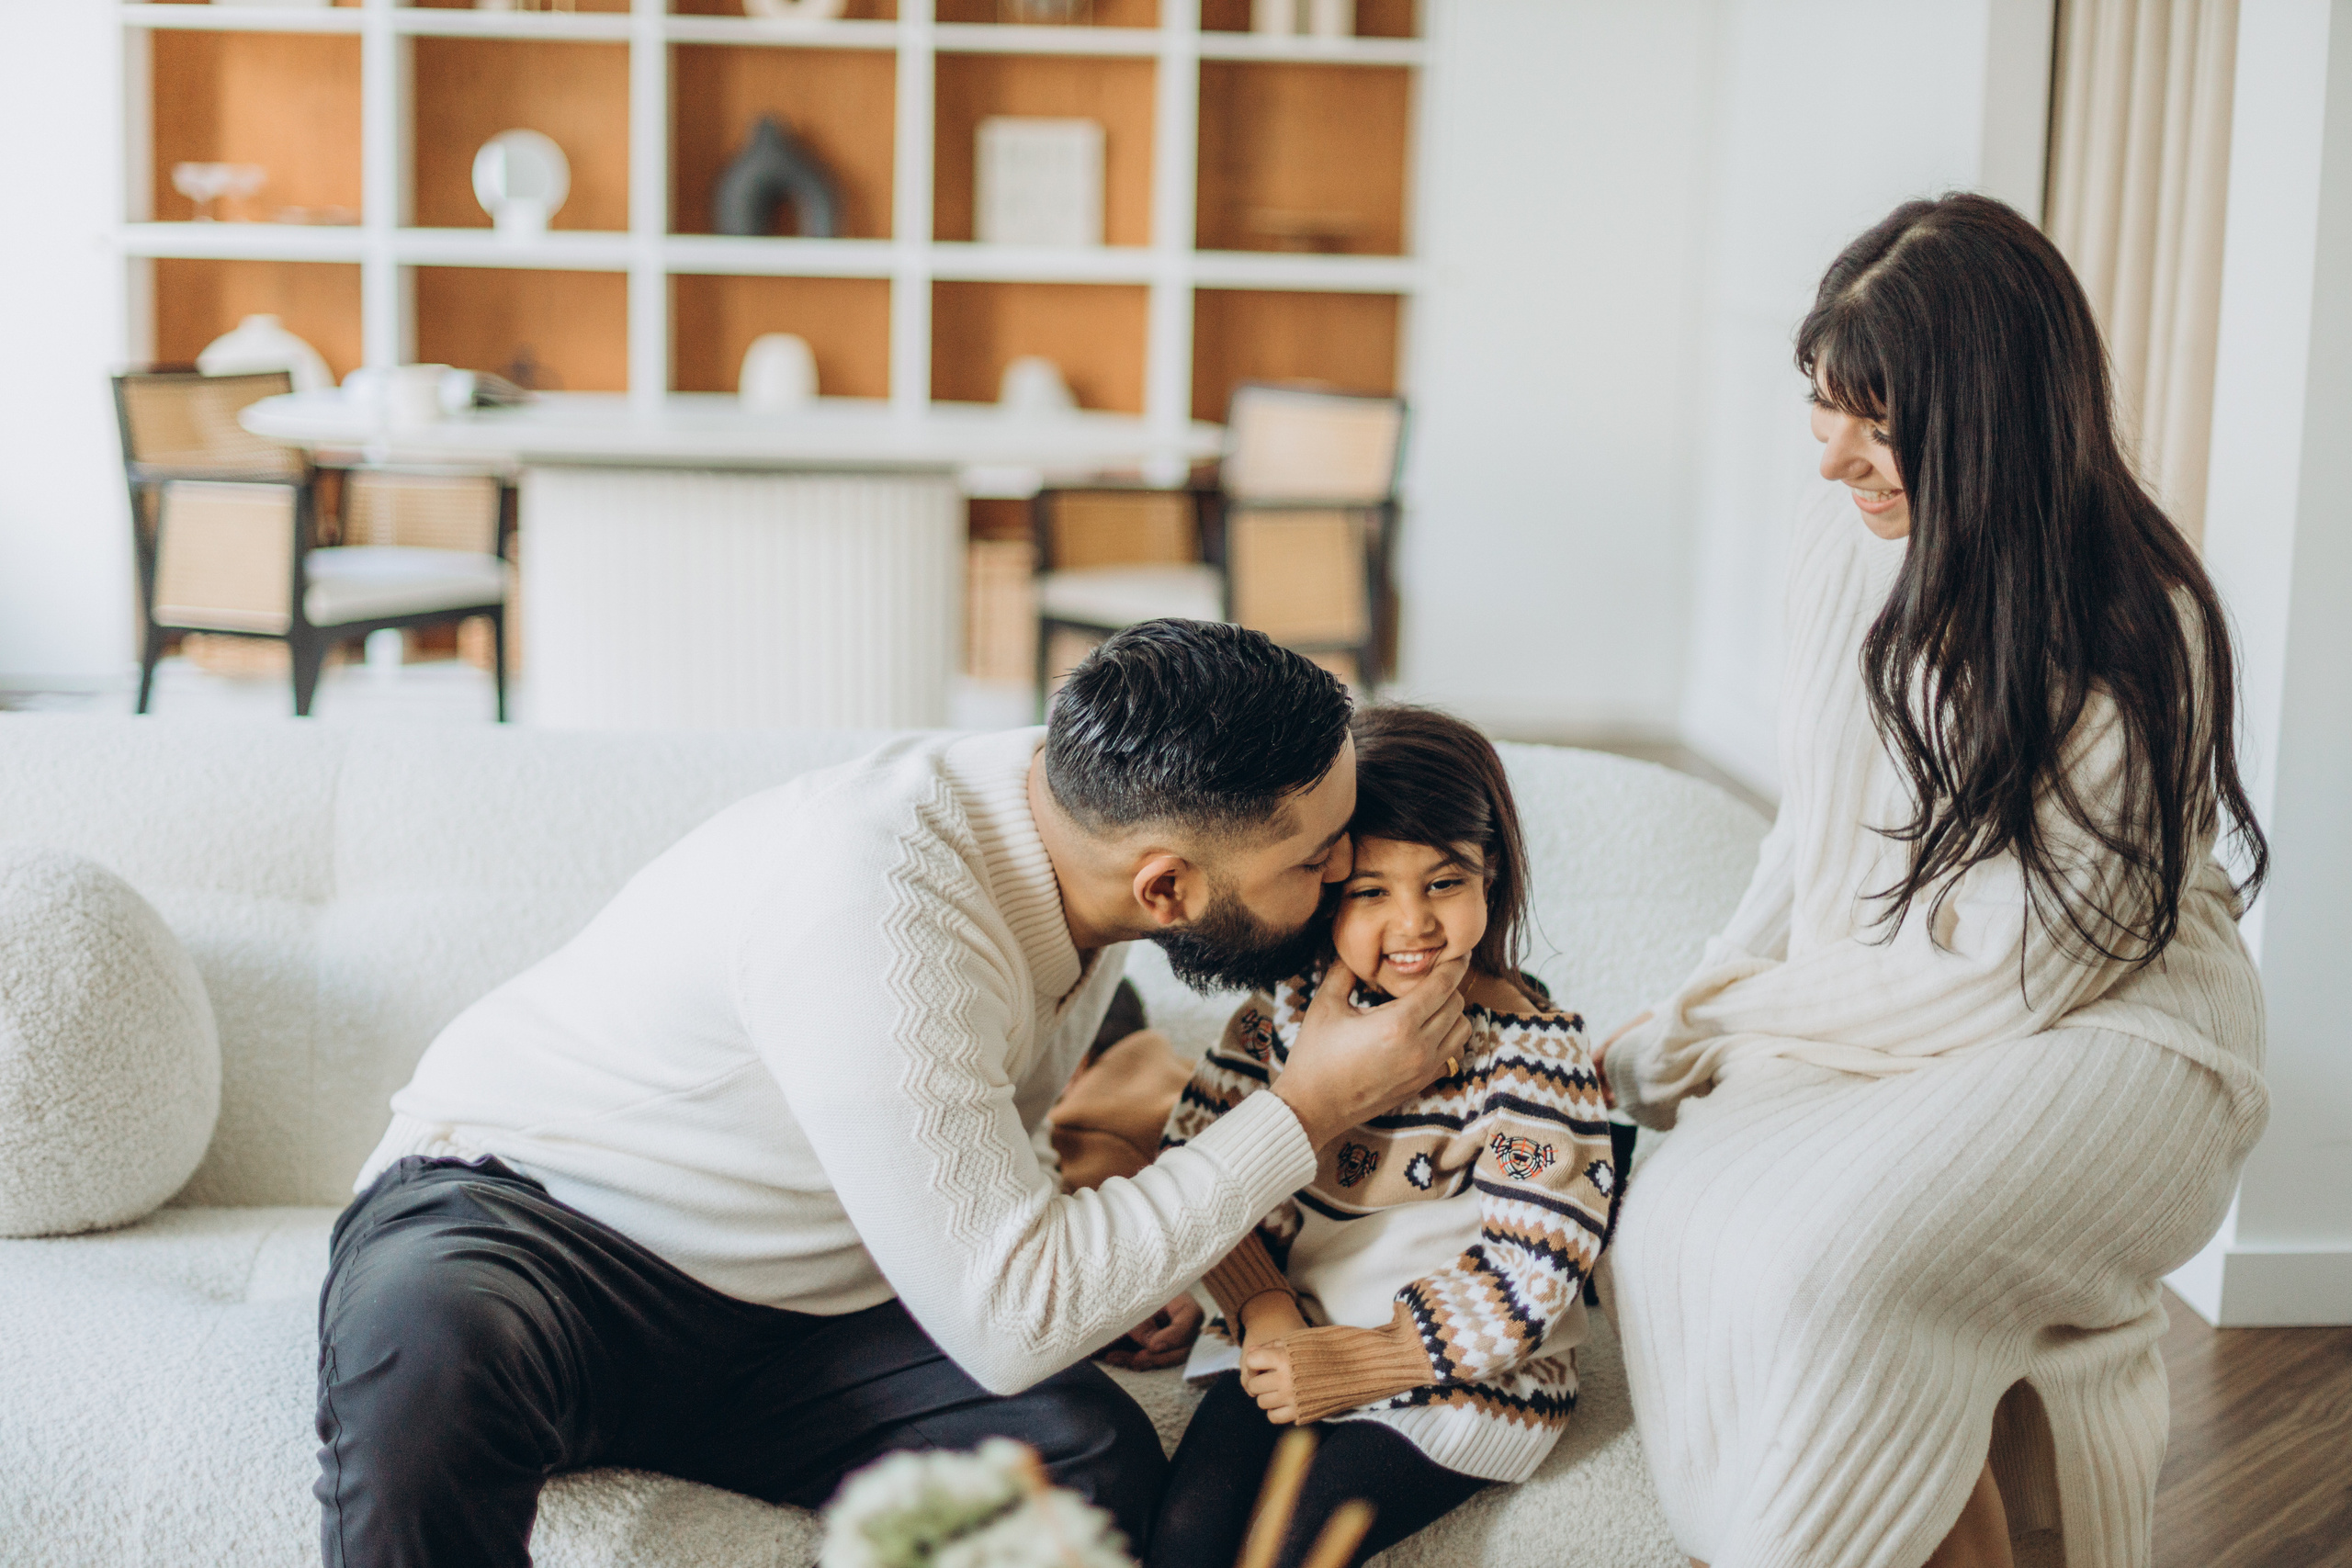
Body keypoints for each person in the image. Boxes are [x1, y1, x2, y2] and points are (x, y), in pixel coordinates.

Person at [313, 620, 1478, 1568]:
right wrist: (1306, 1110)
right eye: (1317, 861)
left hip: (806, 1306)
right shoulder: (876, 907)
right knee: (432, 1363)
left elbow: (958, 1146)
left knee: (1084, 1466)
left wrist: (1135, 1267)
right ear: (1166, 887)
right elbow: (1015, 1316)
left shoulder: (1089, 814)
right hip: (542, 1226)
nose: (1341, 882)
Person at [1595, 193, 2270, 1568]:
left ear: (1993, 418)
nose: (1834, 451)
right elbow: (1816, 832)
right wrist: (1709, 987)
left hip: (2113, 1029)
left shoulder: (2142, 625)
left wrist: (1726, 1025)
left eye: (1876, 415)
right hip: (1894, 996)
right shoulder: (1833, 541)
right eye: (1821, 405)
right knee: (1677, 1214)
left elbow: (2031, 970)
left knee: (1835, 1268)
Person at [1148, 705, 1617, 1568]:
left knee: (1295, 1550)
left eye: (1444, 883)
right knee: (1182, 1540)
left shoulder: (1532, 1057)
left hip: (1461, 1373)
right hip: (1287, 1336)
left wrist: (1376, 1360)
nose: (1413, 925)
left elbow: (1537, 1264)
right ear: (1323, 891)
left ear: (1492, 876)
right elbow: (1196, 1163)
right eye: (1371, 891)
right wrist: (1264, 1307)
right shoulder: (1281, 1016)